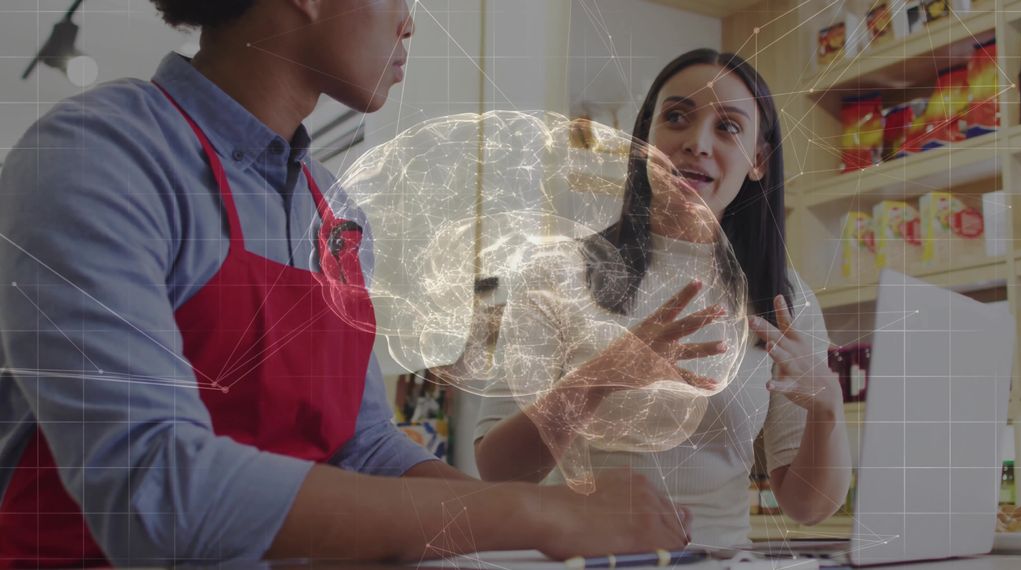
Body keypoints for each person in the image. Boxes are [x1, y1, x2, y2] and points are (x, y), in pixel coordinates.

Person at [0, 1, 692, 565]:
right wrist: (536, 515)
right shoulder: (100, 156)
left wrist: (515, 542)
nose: (411, 22)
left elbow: (363, 447)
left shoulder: (336, 215)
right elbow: (152, 495)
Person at [473, 49, 853, 547]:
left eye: (728, 127)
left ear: (758, 160)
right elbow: (497, 471)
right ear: (643, 142)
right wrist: (600, 379)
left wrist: (827, 405)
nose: (696, 143)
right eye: (676, 117)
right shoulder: (558, 271)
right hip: (584, 559)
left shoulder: (782, 295)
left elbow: (807, 507)